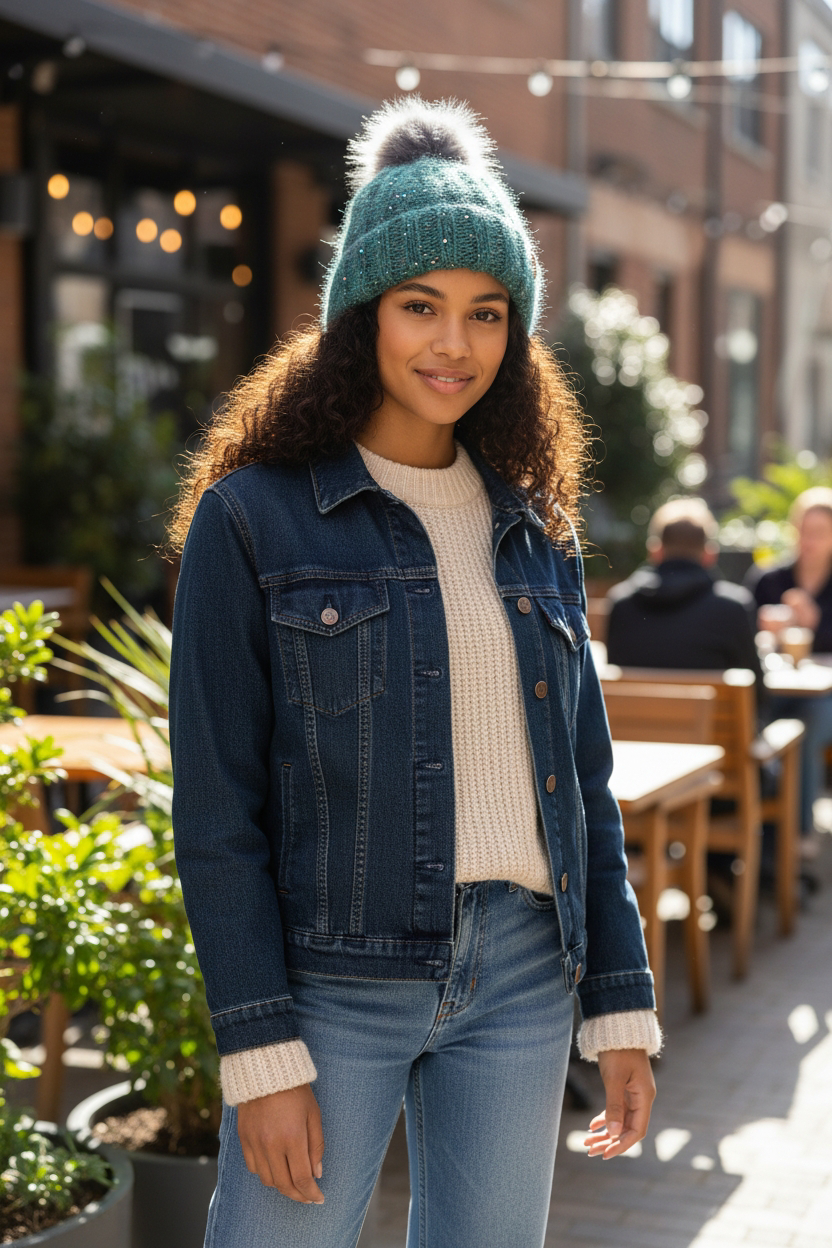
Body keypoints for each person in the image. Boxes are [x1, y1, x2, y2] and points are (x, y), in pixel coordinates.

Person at [169, 97, 659, 1248]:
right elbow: (218, 806)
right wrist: (257, 1044)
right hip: (334, 982)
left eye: (487, 314)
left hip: (527, 980)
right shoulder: (253, 521)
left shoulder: (536, 529)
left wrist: (619, 1003)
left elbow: (584, 787)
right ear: (361, 318)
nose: (454, 344)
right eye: (420, 307)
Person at [747, 487, 832, 845]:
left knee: (808, 721)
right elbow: (740, 630)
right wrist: (762, 626)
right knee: (752, 719)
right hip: (776, 684)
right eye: (803, 530)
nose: (808, 541)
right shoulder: (769, 579)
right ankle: (757, 828)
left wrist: (816, 623)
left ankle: (797, 835)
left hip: (823, 693)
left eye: (819, 533)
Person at [605, 498, 762, 681]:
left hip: (639, 710)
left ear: (655, 551)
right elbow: (756, 691)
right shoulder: (734, 608)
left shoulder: (621, 604)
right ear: (710, 555)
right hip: (711, 710)